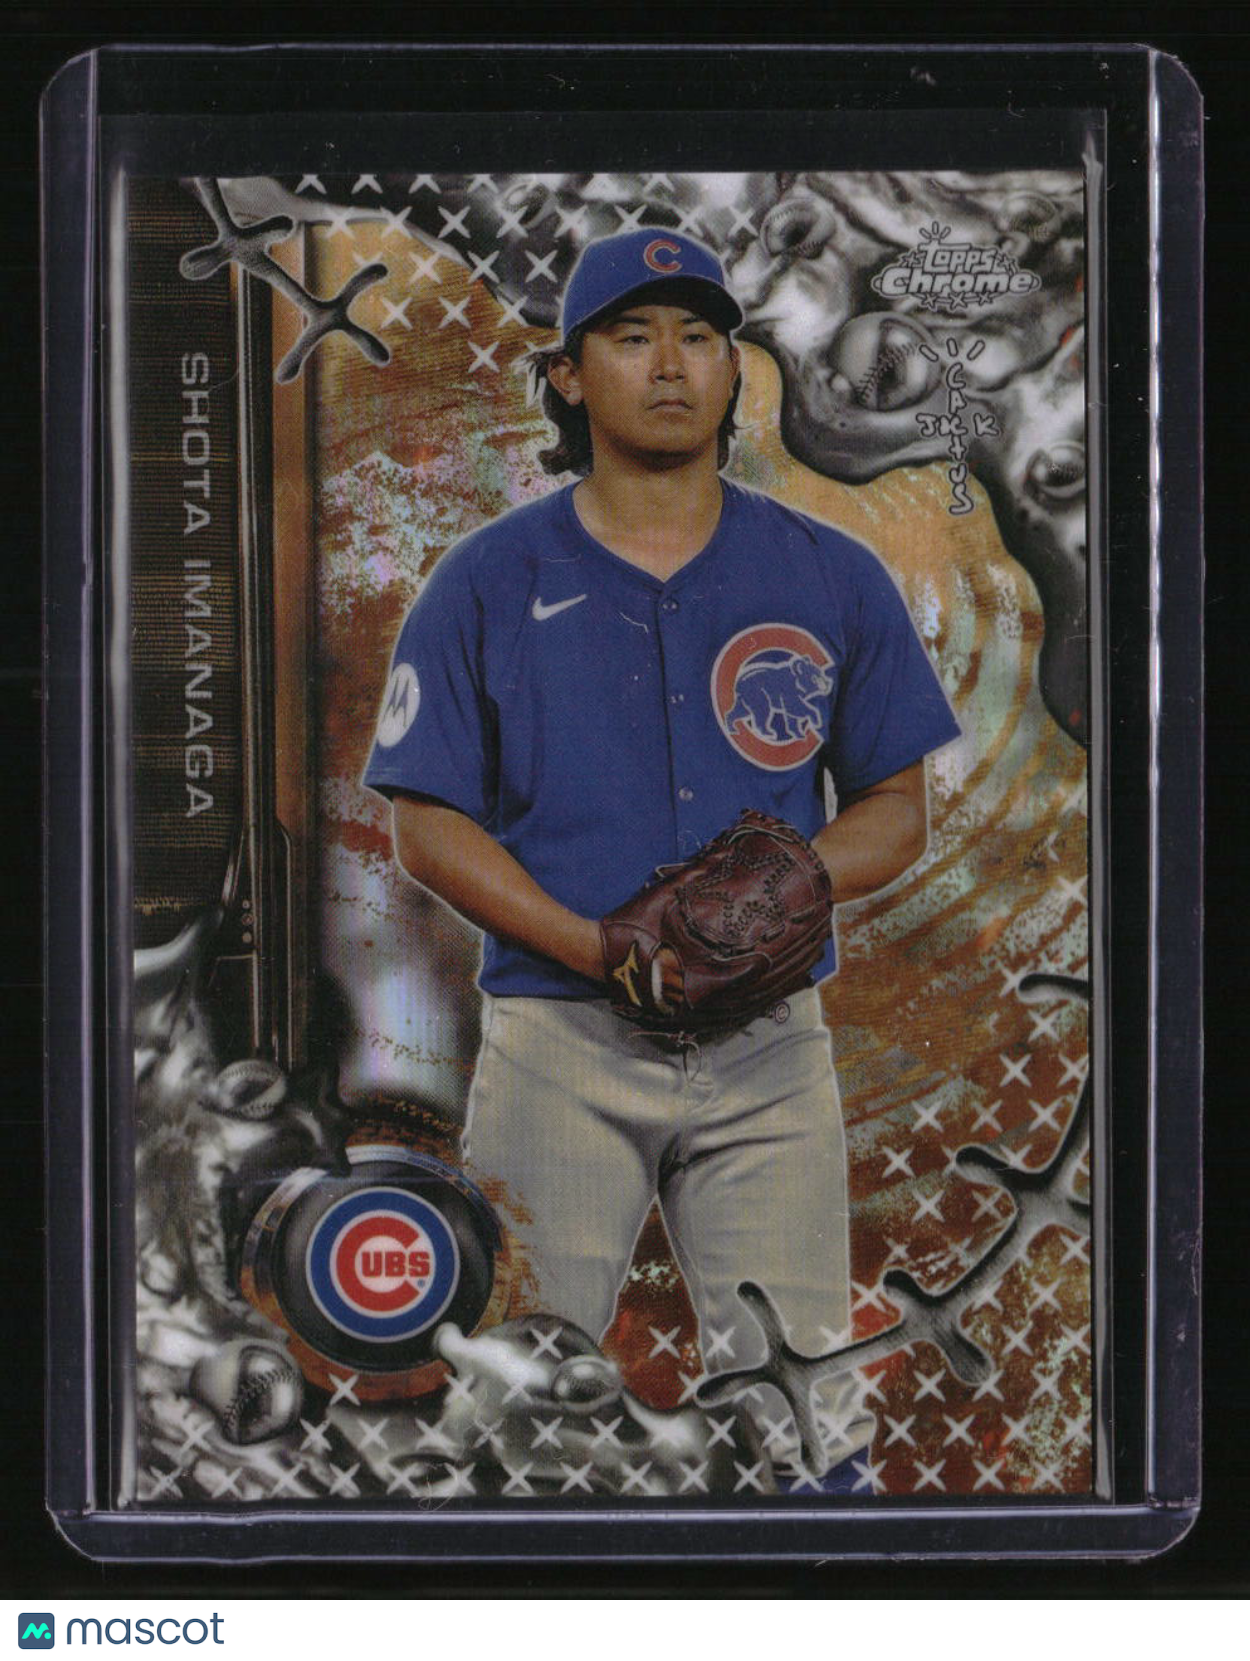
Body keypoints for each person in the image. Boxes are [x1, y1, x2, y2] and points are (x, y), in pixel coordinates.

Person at [364, 229, 960, 1481]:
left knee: (803, 1416)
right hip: (557, 1044)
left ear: (737, 370)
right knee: (519, 1404)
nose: (671, 363)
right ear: (568, 376)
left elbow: (894, 806)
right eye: (631, 336)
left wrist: (782, 889)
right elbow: (426, 824)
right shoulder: (484, 578)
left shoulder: (828, 572)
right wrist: (601, 948)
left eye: (699, 335)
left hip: (766, 1044)